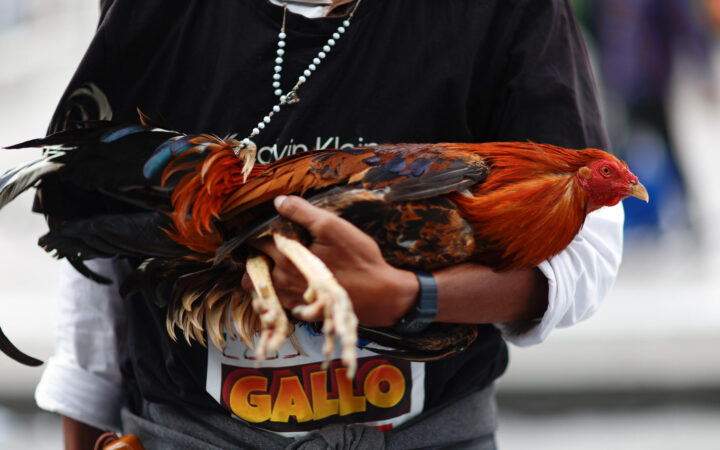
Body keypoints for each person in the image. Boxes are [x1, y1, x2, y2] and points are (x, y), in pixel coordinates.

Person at [34, 0, 624, 448]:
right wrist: (85, 423)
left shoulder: (501, 12)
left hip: (427, 429)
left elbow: (586, 254)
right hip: (192, 429)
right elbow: (100, 229)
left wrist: (410, 296)